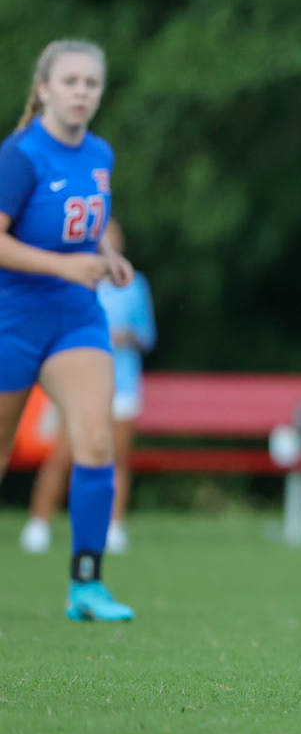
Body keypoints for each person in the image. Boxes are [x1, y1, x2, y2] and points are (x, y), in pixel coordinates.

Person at [0, 39, 139, 621]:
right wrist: (64, 265)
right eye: (71, 81)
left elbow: (88, 228)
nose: (82, 92)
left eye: (91, 84)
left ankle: (86, 584)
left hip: (76, 319)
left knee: (97, 441)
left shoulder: (100, 153)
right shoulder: (21, 155)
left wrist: (106, 255)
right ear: (44, 89)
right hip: (14, 320)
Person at [20, 219, 154, 556]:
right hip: (81, 380)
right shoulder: (75, 278)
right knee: (65, 455)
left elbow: (147, 334)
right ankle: (40, 522)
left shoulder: (134, 284)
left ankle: (113, 526)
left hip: (121, 381)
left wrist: (128, 338)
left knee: (114, 457)